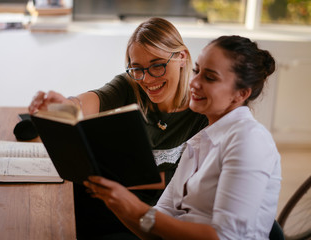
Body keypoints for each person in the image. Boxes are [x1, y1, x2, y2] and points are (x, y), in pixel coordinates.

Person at [83, 35, 282, 240]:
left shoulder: (249, 141)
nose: (194, 82)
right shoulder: (199, 141)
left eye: (210, 77)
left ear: (241, 94)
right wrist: (115, 201)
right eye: (197, 71)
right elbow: (157, 220)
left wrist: (134, 209)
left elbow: (225, 237)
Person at [29, 17, 208, 239]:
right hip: (105, 203)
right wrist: (65, 105)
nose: (147, 79)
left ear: (182, 57)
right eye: (137, 68)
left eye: (157, 66)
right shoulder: (129, 85)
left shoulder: (202, 112)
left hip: (148, 219)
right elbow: (93, 100)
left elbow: (186, 189)